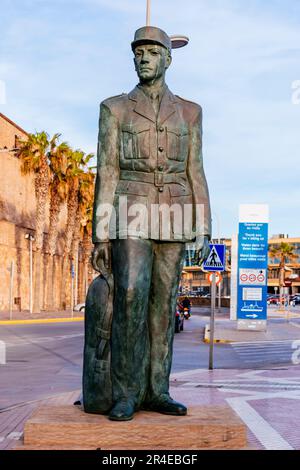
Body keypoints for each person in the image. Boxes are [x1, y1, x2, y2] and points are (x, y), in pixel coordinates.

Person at [91, 26, 211, 421]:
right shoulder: (116, 108)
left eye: (152, 52)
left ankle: (158, 390)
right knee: (129, 295)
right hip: (131, 210)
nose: (144, 58)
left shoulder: (190, 112)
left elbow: (196, 170)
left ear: (167, 59)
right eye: (139, 52)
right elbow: (107, 171)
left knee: (163, 305)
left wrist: (203, 225)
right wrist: (101, 232)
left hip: (175, 214)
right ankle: (126, 393)